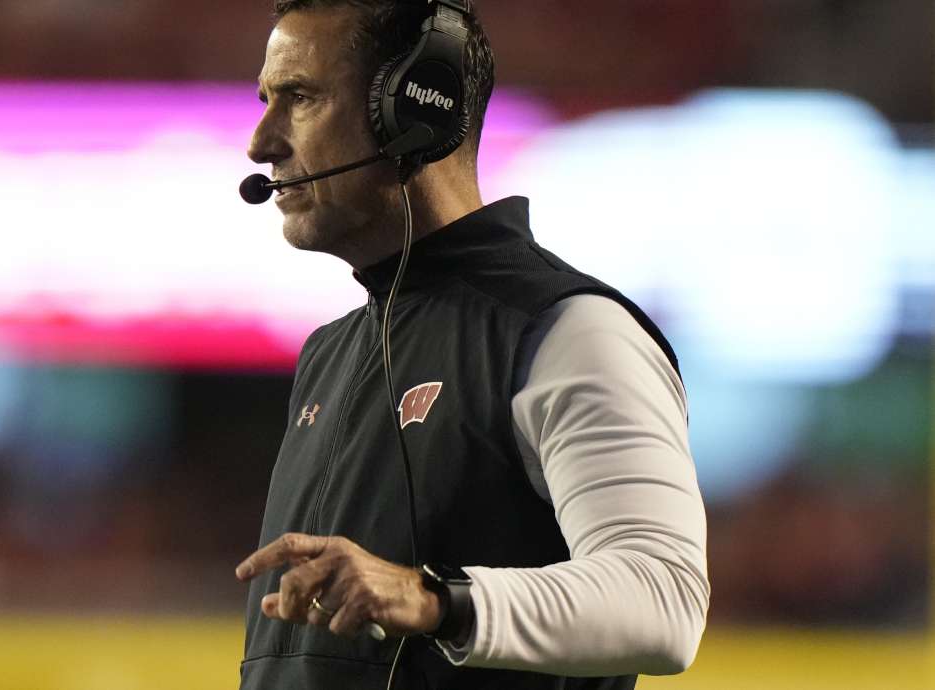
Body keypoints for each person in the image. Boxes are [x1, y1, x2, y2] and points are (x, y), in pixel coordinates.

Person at [234, 2, 710, 689]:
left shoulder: (569, 331)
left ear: (415, 109)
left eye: (300, 97)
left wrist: (435, 600)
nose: (261, 142)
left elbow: (662, 603)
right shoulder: (329, 356)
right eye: (266, 101)